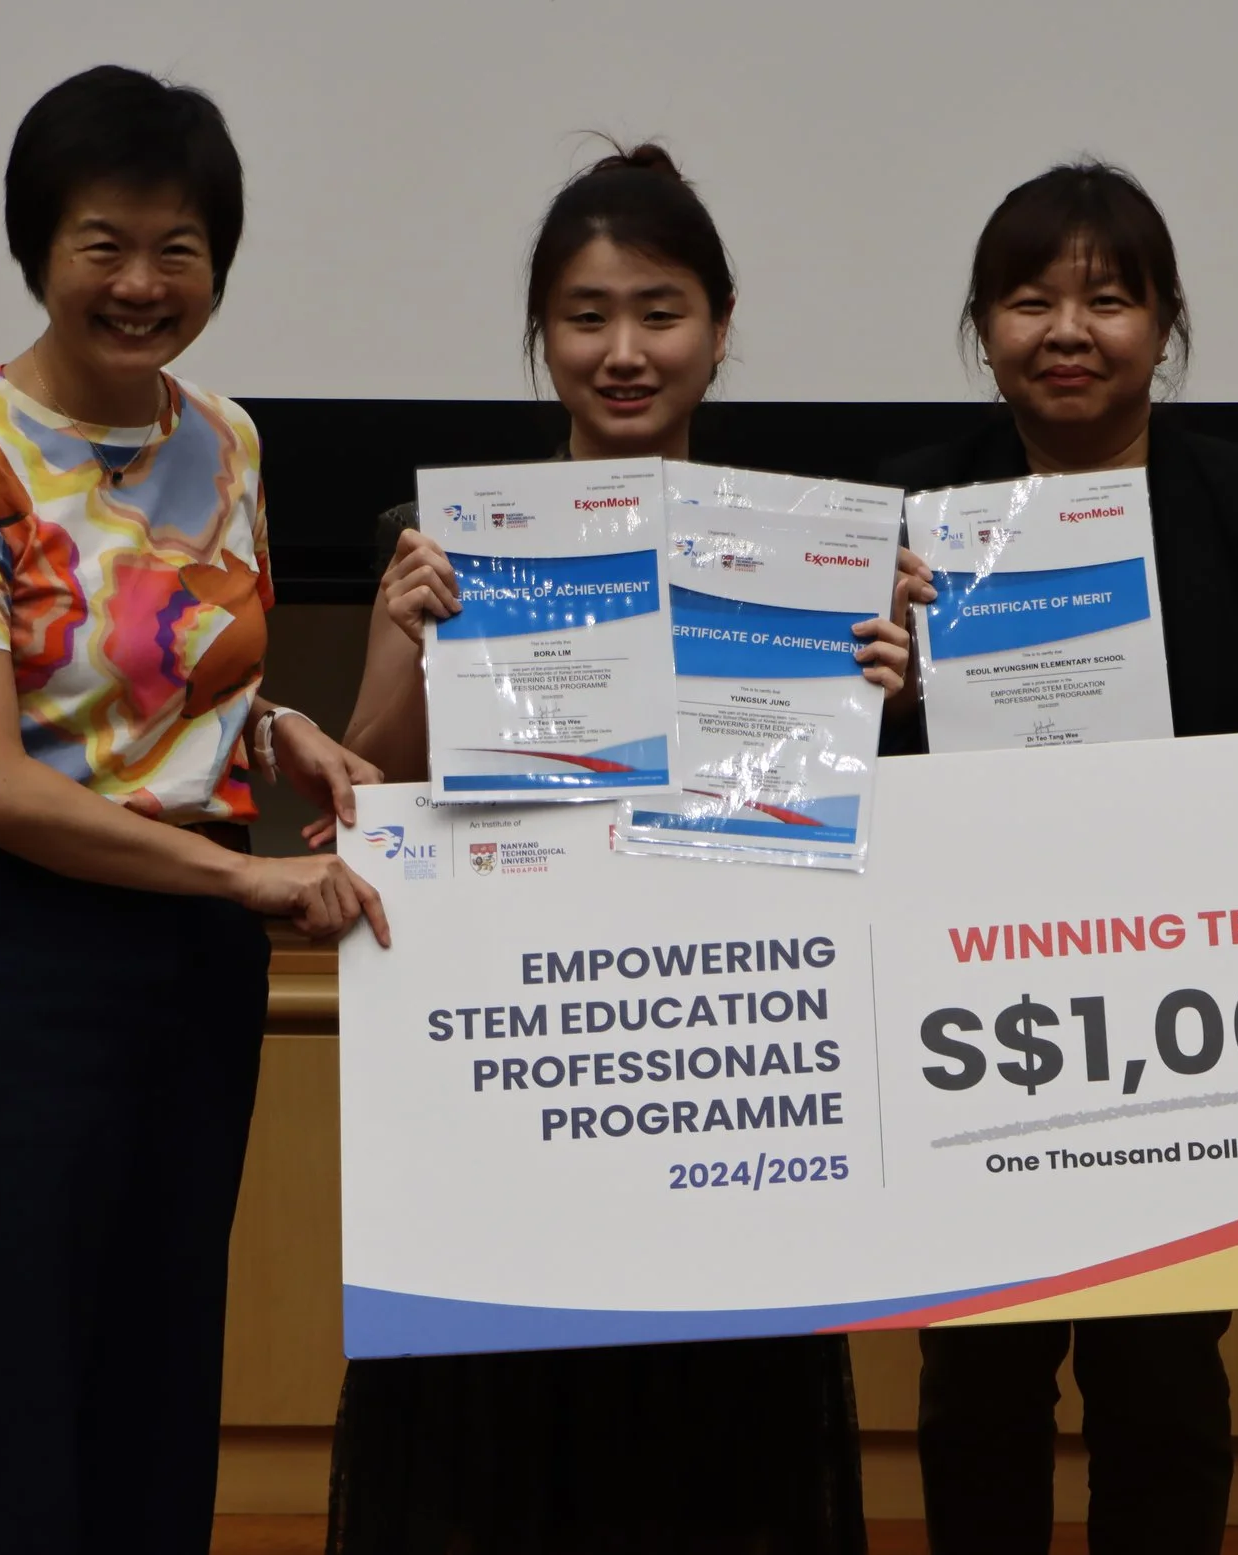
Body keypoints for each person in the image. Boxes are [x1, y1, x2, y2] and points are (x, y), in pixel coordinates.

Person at [326, 143, 900, 1555]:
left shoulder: (805, 551)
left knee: (715, 1463)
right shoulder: (443, 545)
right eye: (587, 316)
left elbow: (852, 837)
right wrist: (403, 641)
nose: (625, 351)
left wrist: (893, 682)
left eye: (662, 311)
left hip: (721, 1079)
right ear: (542, 336)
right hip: (516, 1090)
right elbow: (365, 799)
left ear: (719, 326)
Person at [0, 64, 390, 1555]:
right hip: (5, 959)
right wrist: (240, 885)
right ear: (38, 248)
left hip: (186, 967)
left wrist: (282, 729)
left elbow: (170, 686)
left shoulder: (228, 441)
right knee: (4, 1413)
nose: (143, 283)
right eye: (105, 244)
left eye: (180, 249)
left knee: (159, 1391)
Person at [884, 161, 1238, 1555]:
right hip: (973, 1012)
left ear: (1165, 323)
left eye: (1109, 297)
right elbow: (831, 772)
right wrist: (887, 683)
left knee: (1162, 1378)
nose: (1068, 328)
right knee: (976, 1371)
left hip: (1186, 1018)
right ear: (981, 325)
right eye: (1030, 297)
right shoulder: (908, 517)